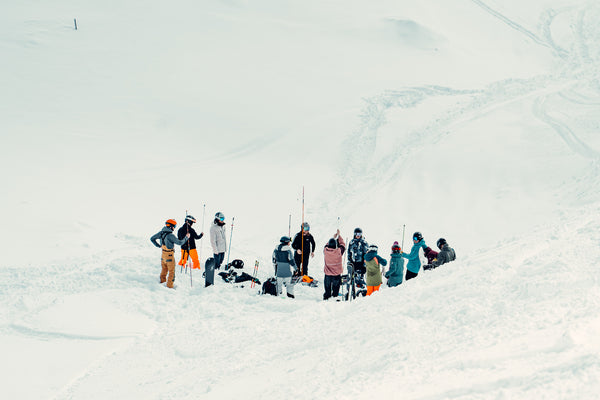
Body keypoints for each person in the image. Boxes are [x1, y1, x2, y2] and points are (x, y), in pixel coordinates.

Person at [150, 219, 190, 288]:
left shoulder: (161, 233)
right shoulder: (171, 235)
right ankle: (169, 286)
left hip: (163, 255)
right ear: (171, 226)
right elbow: (180, 242)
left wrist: (158, 246)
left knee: (164, 269)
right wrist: (186, 237)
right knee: (172, 272)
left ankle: (162, 282)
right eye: (174, 226)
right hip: (170, 255)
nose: (174, 228)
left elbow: (152, 238)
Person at [323, 230, 346, 300]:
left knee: (327, 287)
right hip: (336, 274)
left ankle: (327, 296)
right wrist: (339, 236)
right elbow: (342, 245)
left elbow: (326, 245)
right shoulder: (338, 252)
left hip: (327, 273)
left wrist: (333, 237)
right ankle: (335, 295)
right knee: (336, 287)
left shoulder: (325, 251)